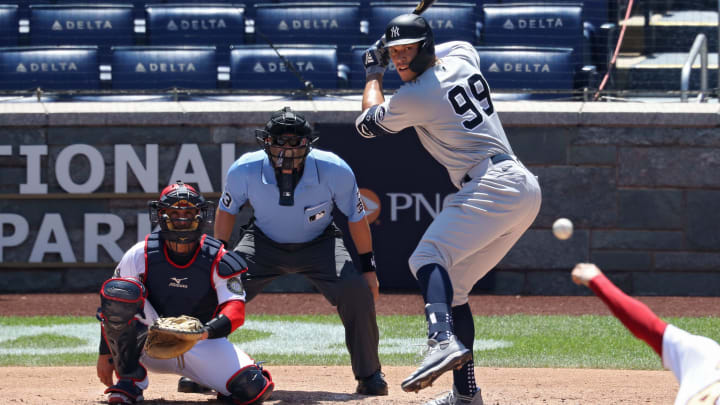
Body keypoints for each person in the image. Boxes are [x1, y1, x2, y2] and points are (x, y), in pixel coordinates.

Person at [356, 13, 542, 404]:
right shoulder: (460, 56)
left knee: (426, 256)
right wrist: (404, 39)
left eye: (408, 51)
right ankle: (466, 395)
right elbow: (457, 46)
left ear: (425, 49)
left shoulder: (416, 96)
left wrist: (375, 72)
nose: (401, 59)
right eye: (396, 53)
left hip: (494, 183)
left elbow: (367, 124)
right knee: (455, 291)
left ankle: (440, 340)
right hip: (519, 185)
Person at [213, 106, 388, 396]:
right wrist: (220, 256)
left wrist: (368, 269)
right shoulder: (244, 168)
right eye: (279, 141)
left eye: (294, 141)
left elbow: (356, 217)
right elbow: (226, 210)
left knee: (355, 290)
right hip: (262, 242)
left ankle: (370, 373)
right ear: (265, 142)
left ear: (308, 143)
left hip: (321, 243)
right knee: (218, 288)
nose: (286, 149)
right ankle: (202, 367)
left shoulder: (335, 168)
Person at [96, 181, 273, 405]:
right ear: (161, 215)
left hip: (200, 342)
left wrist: (202, 333)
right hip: (149, 343)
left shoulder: (218, 257)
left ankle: (205, 378)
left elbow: (236, 311)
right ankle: (130, 381)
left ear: (200, 215)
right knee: (120, 290)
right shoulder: (139, 254)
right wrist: (105, 354)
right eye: (174, 212)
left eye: (188, 212)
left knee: (252, 388)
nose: (182, 218)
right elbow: (111, 305)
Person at [572, 263, 720, 405]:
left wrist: (596, 279)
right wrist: (597, 280)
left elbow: (648, 326)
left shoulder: (704, 353)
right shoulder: (703, 354)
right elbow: (648, 325)